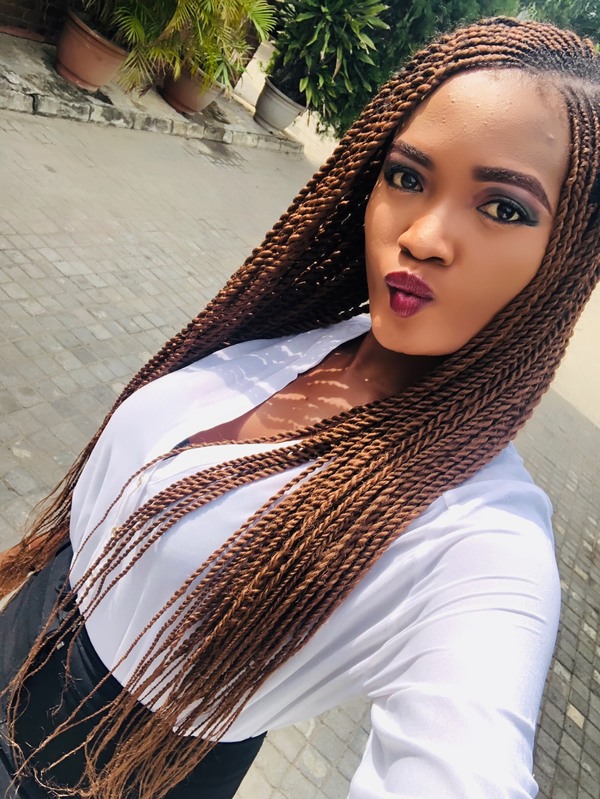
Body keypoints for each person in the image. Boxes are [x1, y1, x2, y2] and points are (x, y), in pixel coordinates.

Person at [0, 15, 599, 799]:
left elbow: (466, 758)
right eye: (408, 176)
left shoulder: (482, 534)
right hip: (31, 624)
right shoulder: (309, 327)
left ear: (569, 256)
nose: (423, 236)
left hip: (112, 768)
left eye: (506, 208)